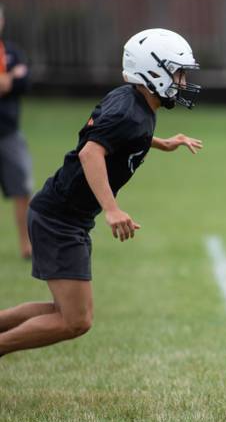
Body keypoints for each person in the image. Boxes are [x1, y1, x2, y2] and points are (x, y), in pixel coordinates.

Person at [0, 28, 203, 359]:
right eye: (177, 72)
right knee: (74, 321)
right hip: (59, 218)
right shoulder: (130, 112)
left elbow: (115, 135)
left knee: (64, 311)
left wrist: (160, 142)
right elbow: (90, 152)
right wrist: (111, 209)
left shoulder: (133, 100)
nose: (182, 81)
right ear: (153, 71)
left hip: (63, 215)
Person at [0, 4, 33, 259]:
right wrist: (10, 77)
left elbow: (23, 82)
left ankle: (27, 245)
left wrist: (10, 77)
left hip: (8, 132)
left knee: (22, 188)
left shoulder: (12, 52)